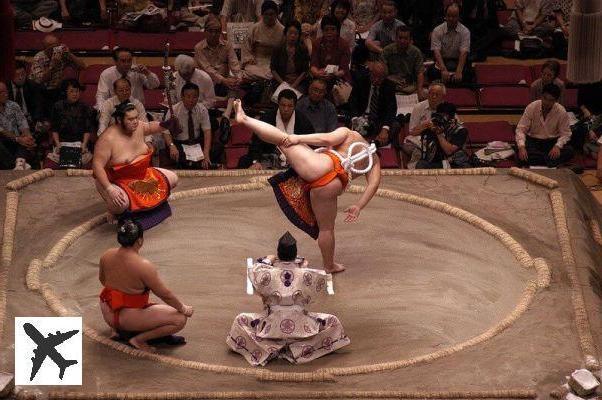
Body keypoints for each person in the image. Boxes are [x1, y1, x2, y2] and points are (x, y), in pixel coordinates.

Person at [233, 99, 382, 273]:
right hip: (333, 184)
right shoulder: (374, 158)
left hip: (320, 165)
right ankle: (329, 265)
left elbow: (325, 138)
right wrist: (358, 206)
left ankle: (244, 119)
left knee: (283, 139)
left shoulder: (349, 134)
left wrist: (298, 138)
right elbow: (373, 184)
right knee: (326, 229)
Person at [227, 231, 350, 366]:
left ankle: (266, 350)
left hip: (270, 327)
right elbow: (321, 282)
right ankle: (297, 350)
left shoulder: (266, 272)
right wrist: (303, 266)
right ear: (294, 254)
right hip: (302, 327)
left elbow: (254, 268)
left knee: (240, 320)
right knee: (333, 322)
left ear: (278, 254)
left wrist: (269, 259)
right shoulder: (306, 274)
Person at [99, 219, 193, 352]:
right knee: (179, 319)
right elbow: (166, 295)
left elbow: (103, 280)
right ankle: (138, 340)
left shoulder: (106, 255)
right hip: (125, 319)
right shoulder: (143, 266)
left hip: (108, 310)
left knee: (140, 301)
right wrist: (183, 308)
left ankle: (117, 331)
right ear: (140, 241)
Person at [92, 102, 179, 217]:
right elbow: (97, 166)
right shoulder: (108, 139)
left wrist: (165, 124)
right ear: (119, 119)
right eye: (130, 119)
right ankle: (113, 209)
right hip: (119, 180)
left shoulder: (138, 126)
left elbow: (149, 126)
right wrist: (109, 189)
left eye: (136, 117)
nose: (135, 122)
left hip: (143, 175)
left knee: (173, 178)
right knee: (120, 204)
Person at [240, 89, 315, 169]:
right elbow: (256, 142)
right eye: (283, 105)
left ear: (294, 106)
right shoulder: (267, 117)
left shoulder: (302, 120)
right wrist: (256, 161)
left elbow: (310, 143)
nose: (286, 109)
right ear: (278, 104)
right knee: (245, 161)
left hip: (295, 161)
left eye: (290, 106)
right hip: (269, 158)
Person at [516, 83, 573, 167]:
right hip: (533, 142)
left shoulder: (561, 111)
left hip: (551, 143)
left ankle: (539, 160)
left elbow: (566, 133)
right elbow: (521, 129)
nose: (547, 102)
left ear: (556, 100)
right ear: (541, 96)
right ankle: (550, 161)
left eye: (551, 100)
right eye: (545, 98)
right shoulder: (532, 107)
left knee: (569, 151)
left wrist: (557, 146)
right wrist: (521, 147)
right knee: (521, 154)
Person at [348, 61, 400, 147]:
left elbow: (391, 109)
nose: (376, 80)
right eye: (374, 76)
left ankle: (374, 143)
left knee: (395, 126)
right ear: (370, 73)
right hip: (361, 117)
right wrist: (355, 119)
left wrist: (385, 129)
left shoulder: (389, 86)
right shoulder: (361, 80)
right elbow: (352, 101)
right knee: (350, 128)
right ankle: (368, 143)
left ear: (384, 77)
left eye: (379, 78)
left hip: (379, 119)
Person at [46, 79, 95, 169]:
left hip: (79, 143)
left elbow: (87, 129)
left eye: (77, 91)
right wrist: (57, 144)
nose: (75, 94)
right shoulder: (57, 106)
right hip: (62, 143)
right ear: (65, 92)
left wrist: (84, 144)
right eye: (71, 91)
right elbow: (54, 129)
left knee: (80, 161)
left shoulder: (85, 107)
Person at [162, 83, 213, 170]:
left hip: (196, 142)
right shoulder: (173, 110)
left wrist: (206, 153)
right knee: (181, 157)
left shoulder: (202, 109)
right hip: (179, 143)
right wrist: (171, 145)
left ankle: (198, 163)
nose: (191, 100)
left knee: (216, 149)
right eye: (188, 96)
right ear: (182, 97)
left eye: (194, 97)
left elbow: (207, 131)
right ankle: (196, 164)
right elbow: (165, 131)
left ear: (198, 97)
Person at [95, 47, 160, 109]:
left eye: (129, 61)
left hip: (137, 110)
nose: (127, 64)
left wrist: (147, 73)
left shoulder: (138, 71)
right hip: (114, 111)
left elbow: (155, 85)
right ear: (115, 61)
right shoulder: (106, 74)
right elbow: (101, 97)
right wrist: (102, 112)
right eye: (123, 61)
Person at [194, 16, 243, 97]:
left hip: (224, 82)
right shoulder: (198, 48)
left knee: (235, 89)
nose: (213, 34)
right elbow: (207, 69)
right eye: (210, 31)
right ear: (205, 32)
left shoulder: (227, 45)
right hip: (206, 82)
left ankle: (229, 108)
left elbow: (234, 64)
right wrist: (224, 80)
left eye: (216, 31)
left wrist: (238, 78)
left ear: (220, 32)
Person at [415, 102, 469, 169]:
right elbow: (413, 131)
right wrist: (426, 125)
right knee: (421, 164)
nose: (441, 119)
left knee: (465, 167)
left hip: (453, 163)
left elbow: (449, 151)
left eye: (444, 116)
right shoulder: (434, 125)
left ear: (451, 118)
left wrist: (438, 133)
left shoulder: (460, 130)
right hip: (435, 162)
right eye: (439, 115)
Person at [427, 3, 472, 85]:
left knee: (469, 74)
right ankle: (452, 82)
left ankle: (447, 82)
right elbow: (436, 52)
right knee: (431, 72)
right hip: (442, 62)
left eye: (454, 16)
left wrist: (459, 71)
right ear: (445, 16)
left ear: (459, 17)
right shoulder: (437, 30)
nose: (451, 19)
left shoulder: (465, 31)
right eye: (448, 15)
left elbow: (464, 52)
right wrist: (443, 70)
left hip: (458, 62)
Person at [241, 1, 284, 82]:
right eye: (266, 14)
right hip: (256, 62)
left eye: (271, 14)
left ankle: (268, 78)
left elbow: (285, 51)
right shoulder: (254, 28)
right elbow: (246, 48)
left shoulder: (283, 30)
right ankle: (267, 78)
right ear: (262, 15)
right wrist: (249, 59)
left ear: (276, 14)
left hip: (273, 65)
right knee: (249, 71)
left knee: (275, 73)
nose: (269, 17)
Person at [0, 81, 37, 170]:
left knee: (25, 140)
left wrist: (29, 138)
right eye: (2, 92)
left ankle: (19, 164)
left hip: (17, 142)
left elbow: (23, 124)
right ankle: (17, 164)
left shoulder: (13, 105)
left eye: (6, 91)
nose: (6, 94)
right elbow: (1, 131)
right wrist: (18, 139)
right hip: (3, 142)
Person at [382, 25, 425, 96]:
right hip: (391, 83)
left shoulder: (416, 52)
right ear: (395, 38)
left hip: (409, 84)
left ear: (410, 39)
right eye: (400, 38)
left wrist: (420, 90)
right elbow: (383, 72)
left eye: (405, 38)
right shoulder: (387, 51)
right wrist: (391, 78)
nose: (402, 41)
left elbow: (420, 73)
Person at [270, 20, 310, 92]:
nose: (293, 36)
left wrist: (294, 85)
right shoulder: (278, 48)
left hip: (298, 82)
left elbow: (305, 70)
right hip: (281, 81)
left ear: (299, 35)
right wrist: (283, 83)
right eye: (290, 33)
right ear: (285, 33)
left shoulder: (303, 49)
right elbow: (273, 69)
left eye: (296, 33)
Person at [310, 15, 352, 84]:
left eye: (333, 29)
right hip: (321, 75)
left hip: (339, 77)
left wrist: (334, 74)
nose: (329, 33)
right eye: (326, 30)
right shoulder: (317, 43)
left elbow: (344, 69)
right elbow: (313, 65)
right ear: (322, 31)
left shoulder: (344, 45)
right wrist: (317, 73)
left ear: (338, 31)